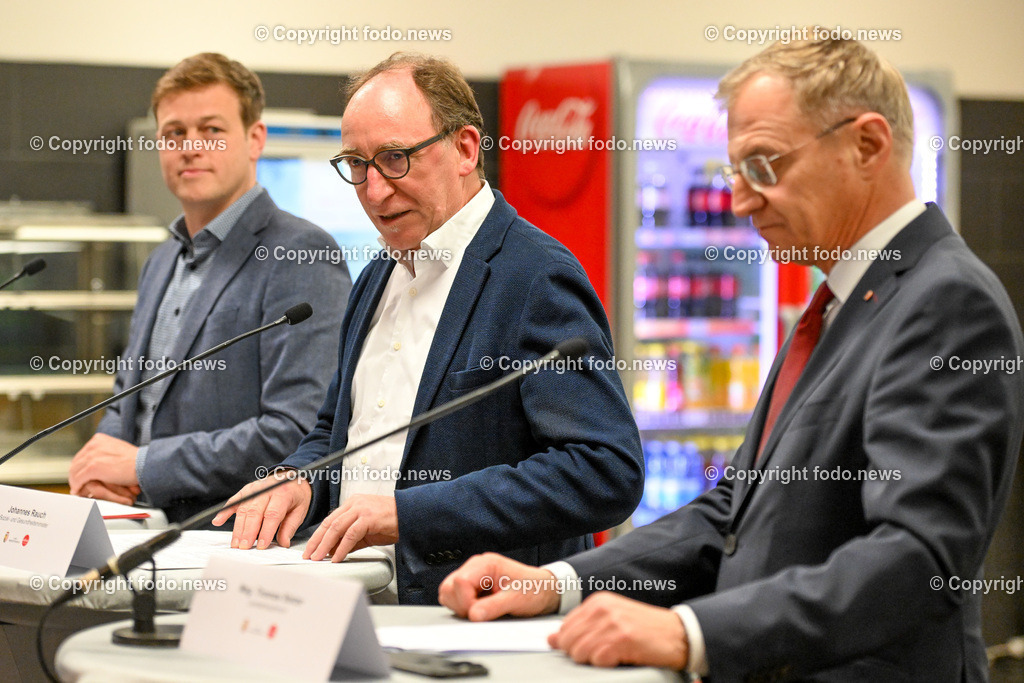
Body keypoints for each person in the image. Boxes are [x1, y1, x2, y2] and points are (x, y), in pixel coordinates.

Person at [440, 38, 1024, 681]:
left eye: (766, 167)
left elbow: (919, 559)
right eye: (735, 174)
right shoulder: (840, 299)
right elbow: (733, 512)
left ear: (868, 145)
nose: (743, 202)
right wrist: (553, 582)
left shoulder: (946, 302)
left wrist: (690, 631)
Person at [212, 53, 644, 605]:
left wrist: (410, 513)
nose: (373, 190)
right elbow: (334, 433)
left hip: (474, 619)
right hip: (347, 604)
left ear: (465, 149)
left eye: (395, 159)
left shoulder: (535, 275)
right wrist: (298, 476)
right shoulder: (374, 277)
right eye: (356, 164)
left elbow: (604, 470)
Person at [68, 53, 351, 523]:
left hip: (231, 538)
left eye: (212, 131)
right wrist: (105, 457)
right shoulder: (162, 259)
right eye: (174, 133)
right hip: (138, 525)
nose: (190, 147)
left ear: (255, 139)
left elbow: (296, 430)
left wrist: (141, 465)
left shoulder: (300, 253)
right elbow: (129, 395)